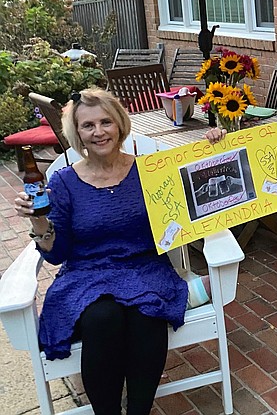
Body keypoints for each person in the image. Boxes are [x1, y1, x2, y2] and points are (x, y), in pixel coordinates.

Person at [14, 88, 226, 415]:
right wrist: (40, 221)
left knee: (148, 314)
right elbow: (57, 255)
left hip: (145, 268)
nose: (98, 132)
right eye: (88, 126)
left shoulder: (150, 171)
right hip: (87, 275)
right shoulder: (63, 182)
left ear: (119, 125)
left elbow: (197, 188)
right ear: (77, 134)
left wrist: (216, 148)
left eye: (105, 122)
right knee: (103, 317)